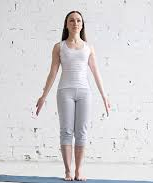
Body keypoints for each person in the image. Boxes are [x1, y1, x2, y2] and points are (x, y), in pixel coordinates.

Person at [35, 10, 111, 181]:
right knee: (67, 131)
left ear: (82, 24)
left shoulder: (89, 47)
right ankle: (68, 171)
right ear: (66, 24)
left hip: (84, 92)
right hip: (65, 92)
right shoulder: (59, 47)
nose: (75, 23)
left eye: (78, 20)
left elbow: (96, 72)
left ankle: (78, 171)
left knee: (82, 132)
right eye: (71, 20)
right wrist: (43, 96)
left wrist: (104, 96)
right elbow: (53, 73)